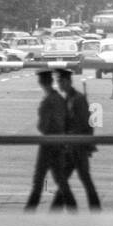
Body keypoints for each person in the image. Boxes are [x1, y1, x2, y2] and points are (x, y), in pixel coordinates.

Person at [24, 69, 76, 210]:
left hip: (48, 144)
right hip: (59, 142)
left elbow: (43, 126)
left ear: (41, 83)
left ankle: (29, 211)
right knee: (61, 180)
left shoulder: (47, 101)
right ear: (51, 82)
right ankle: (73, 209)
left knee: (38, 181)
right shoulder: (59, 98)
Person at [53, 68, 101, 210]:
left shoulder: (78, 99)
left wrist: (82, 144)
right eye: (58, 81)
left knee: (82, 180)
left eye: (60, 81)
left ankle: (93, 209)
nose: (59, 85)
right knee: (69, 180)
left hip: (77, 148)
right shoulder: (69, 98)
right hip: (71, 147)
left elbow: (84, 124)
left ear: (67, 82)